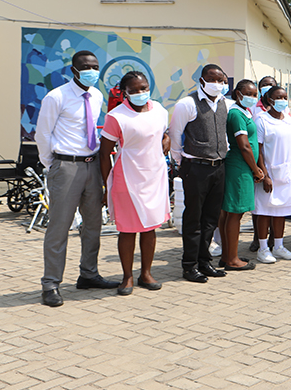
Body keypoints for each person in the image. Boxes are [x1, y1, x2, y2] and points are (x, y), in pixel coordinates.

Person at [36, 50, 120, 306]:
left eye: (95, 66)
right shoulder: (56, 97)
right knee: (59, 227)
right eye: (86, 67)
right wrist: (54, 165)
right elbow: (43, 134)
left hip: (92, 165)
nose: (92, 71)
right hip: (66, 167)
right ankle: (51, 284)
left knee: (93, 225)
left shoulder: (96, 95)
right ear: (74, 70)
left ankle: (88, 274)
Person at [98, 71, 170, 295]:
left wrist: (166, 139)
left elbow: (161, 133)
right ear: (124, 92)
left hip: (155, 176)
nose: (141, 93)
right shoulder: (116, 116)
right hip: (127, 177)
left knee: (150, 227)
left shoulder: (159, 110)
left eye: (144, 88)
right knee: (128, 230)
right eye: (135, 90)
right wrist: (107, 184)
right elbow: (104, 153)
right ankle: (127, 276)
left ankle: (146, 273)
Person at [169, 63, 231, 283]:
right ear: (202, 80)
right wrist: (180, 162)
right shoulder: (187, 104)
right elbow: (175, 135)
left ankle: (205, 263)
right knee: (193, 218)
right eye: (213, 79)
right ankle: (189, 266)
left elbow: (223, 135)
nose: (218, 84)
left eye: (221, 80)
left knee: (211, 218)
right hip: (195, 167)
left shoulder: (225, 103)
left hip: (218, 166)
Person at [219, 80, 264, 271]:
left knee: (230, 213)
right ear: (238, 93)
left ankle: (228, 254)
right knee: (235, 214)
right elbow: (244, 146)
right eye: (249, 94)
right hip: (239, 167)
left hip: (243, 167)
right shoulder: (236, 114)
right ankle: (231, 259)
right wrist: (255, 169)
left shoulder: (245, 112)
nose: (253, 98)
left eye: (255, 95)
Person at [253, 86, 291, 264]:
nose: (282, 100)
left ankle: (278, 246)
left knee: (281, 211)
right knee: (264, 211)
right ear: (269, 100)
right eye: (278, 97)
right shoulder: (262, 120)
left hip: (287, 173)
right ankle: (263, 249)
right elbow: (259, 149)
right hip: (269, 172)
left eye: (285, 97)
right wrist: (264, 175)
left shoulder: (288, 120)